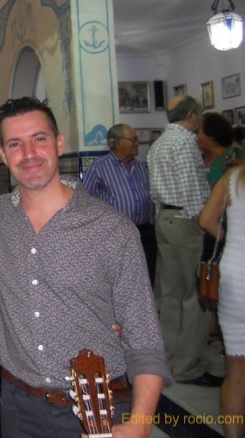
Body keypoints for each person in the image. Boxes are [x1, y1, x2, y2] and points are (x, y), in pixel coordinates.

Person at [0, 97, 169, 437]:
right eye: (15, 144)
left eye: (39, 139)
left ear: (59, 143)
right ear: (3, 155)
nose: (29, 153)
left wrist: (141, 422)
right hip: (18, 406)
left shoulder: (111, 228)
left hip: (97, 406)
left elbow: (143, 332)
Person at [148, 95, 222, 386]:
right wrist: (203, 224)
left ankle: (167, 359)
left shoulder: (158, 144)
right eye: (199, 115)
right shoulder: (186, 142)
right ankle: (188, 366)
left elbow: (156, 190)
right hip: (186, 221)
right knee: (195, 296)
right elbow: (194, 189)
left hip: (165, 219)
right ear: (191, 115)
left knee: (169, 295)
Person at [199, 166, 245, 438]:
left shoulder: (232, 177)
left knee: (236, 371)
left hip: (234, 276)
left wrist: (233, 240)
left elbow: (206, 219)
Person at [82, 124, 156, 285]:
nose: (137, 143)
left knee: (146, 277)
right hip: (114, 234)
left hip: (144, 233)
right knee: (122, 280)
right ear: (117, 142)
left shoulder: (140, 167)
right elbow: (83, 202)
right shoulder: (99, 167)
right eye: (133, 139)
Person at [199, 111, 244, 187]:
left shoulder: (237, 156)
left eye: (197, 132)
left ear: (210, 134)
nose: (194, 136)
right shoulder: (199, 157)